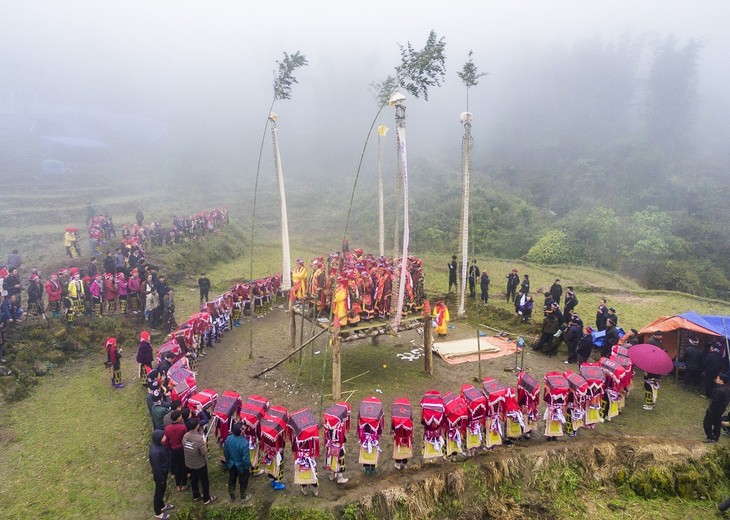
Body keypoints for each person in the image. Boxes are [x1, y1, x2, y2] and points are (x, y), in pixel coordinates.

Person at [183, 418, 217, 505]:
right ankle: (206, 499)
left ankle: (196, 495)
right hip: (199, 464)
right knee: (204, 481)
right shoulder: (199, 439)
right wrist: (204, 444)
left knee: (193, 479)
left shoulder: (185, 436)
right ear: (197, 426)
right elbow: (204, 452)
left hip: (189, 463)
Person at [224, 421, 253, 503]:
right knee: (243, 481)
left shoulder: (229, 438)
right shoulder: (244, 443)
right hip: (241, 466)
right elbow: (245, 459)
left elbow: (226, 452)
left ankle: (232, 495)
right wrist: (247, 467)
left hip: (231, 463)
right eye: (243, 429)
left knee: (232, 479)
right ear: (241, 431)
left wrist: (228, 461)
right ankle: (243, 496)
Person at [149, 430, 174, 519]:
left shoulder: (159, 446)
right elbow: (157, 468)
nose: (165, 438)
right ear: (159, 439)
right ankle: (158, 512)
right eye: (164, 436)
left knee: (162, 491)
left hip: (163, 474)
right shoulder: (155, 452)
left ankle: (162, 506)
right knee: (159, 494)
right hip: (160, 476)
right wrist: (161, 479)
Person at [163, 410, 189, 492]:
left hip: (173, 450)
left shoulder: (167, 428)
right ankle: (184, 484)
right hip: (181, 449)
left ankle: (178, 485)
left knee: (176, 466)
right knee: (184, 466)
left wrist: (169, 447)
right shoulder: (182, 427)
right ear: (178, 418)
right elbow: (186, 439)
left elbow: (166, 441)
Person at [704, 373, 730, 442]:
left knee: (707, 423)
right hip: (721, 410)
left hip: (714, 410)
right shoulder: (727, 388)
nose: (716, 379)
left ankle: (710, 437)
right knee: (717, 424)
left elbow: (715, 402)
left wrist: (710, 409)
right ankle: (716, 437)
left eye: (717, 378)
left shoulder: (719, 390)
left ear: (721, 380)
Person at [643, 330, 664, 411]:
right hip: (652, 372)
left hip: (651, 376)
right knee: (649, 387)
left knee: (649, 388)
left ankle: (650, 404)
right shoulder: (651, 341)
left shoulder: (657, 341)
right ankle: (650, 402)